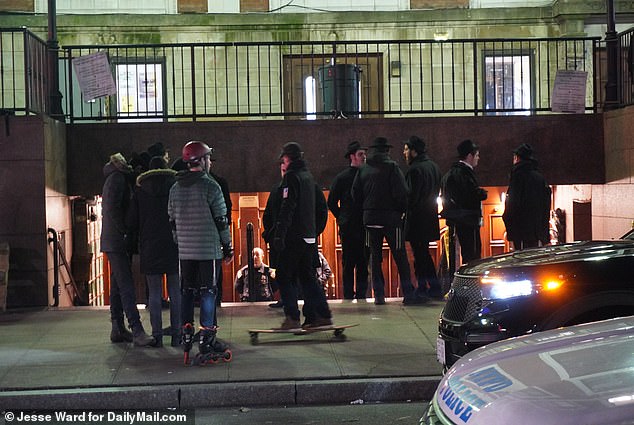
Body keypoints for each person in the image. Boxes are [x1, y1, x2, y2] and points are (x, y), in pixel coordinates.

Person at [168, 140, 234, 362]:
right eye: (208, 158)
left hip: (185, 252)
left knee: (186, 291)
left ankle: (186, 335)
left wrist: (181, 242)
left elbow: (172, 222)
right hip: (208, 250)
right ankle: (207, 338)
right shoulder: (211, 187)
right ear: (203, 161)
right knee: (208, 292)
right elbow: (221, 221)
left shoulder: (175, 189)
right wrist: (228, 247)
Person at [351, 137, 428, 306]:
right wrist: (400, 211)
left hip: (370, 220)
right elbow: (403, 193)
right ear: (386, 151)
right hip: (391, 220)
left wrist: (366, 209)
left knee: (374, 257)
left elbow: (355, 194)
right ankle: (408, 293)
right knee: (400, 255)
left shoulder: (363, 169)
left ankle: (379, 295)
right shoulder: (392, 167)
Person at [272, 141, 333, 329]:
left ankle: (292, 316)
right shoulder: (308, 177)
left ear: (287, 158)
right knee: (307, 277)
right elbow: (321, 207)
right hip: (309, 236)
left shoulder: (292, 178)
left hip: (294, 236)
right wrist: (315, 230)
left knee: (283, 274)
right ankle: (321, 315)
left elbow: (287, 207)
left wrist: (279, 234)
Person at [126, 155, 181, 347]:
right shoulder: (175, 187)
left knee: (155, 294)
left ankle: (157, 335)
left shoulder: (140, 192)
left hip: (149, 246)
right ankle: (177, 334)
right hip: (173, 244)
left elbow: (132, 221)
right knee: (176, 291)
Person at [100, 152, 154, 347]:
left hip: (115, 240)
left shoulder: (116, 178)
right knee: (126, 285)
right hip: (117, 240)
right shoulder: (117, 179)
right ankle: (136, 329)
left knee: (117, 283)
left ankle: (118, 327)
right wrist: (124, 231)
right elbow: (113, 209)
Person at [327, 141, 369, 301]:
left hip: (359, 225)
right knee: (352, 262)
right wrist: (343, 218)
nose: (364, 157)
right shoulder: (344, 178)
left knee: (361, 263)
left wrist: (342, 217)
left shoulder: (364, 175)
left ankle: (358, 295)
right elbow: (331, 201)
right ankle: (350, 295)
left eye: (364, 154)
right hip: (353, 226)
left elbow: (332, 203)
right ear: (352, 157)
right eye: (360, 154)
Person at [403, 136, 443, 299]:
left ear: (414, 151)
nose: (404, 152)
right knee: (423, 253)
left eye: (406, 149)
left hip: (417, 219)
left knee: (420, 255)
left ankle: (426, 287)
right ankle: (433, 287)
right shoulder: (433, 167)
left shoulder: (414, 170)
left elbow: (411, 197)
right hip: (430, 216)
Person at [441, 139, 488, 267]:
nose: (478, 158)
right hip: (468, 219)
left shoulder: (452, 173)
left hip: (460, 218)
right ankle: (472, 284)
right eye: (477, 155)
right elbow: (470, 194)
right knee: (473, 256)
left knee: (468, 254)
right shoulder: (464, 173)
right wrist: (482, 194)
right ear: (469, 156)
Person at [502, 143, 551, 250]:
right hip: (535, 231)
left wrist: (509, 228)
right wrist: (545, 236)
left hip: (519, 231)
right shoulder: (539, 178)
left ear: (516, 158)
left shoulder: (517, 176)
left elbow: (512, 204)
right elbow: (546, 206)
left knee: (519, 262)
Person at [208, 154, 232, 307]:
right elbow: (225, 213)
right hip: (214, 235)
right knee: (214, 272)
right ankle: (216, 300)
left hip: (191, 239)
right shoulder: (219, 183)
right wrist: (227, 243)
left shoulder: (183, 185)